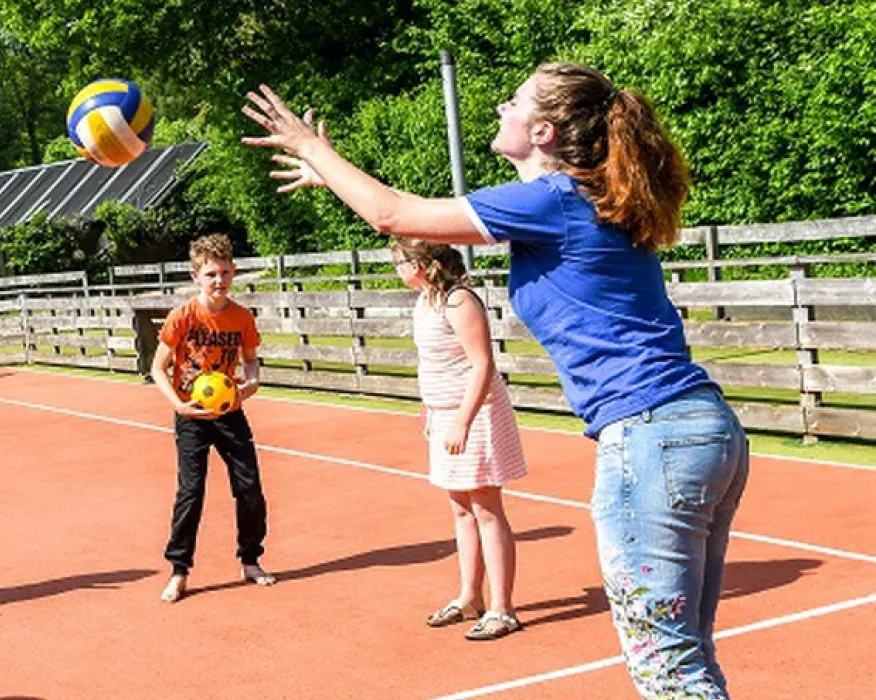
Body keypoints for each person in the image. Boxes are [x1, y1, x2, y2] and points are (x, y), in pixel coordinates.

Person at [244, 63, 749, 697]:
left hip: (652, 437)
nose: (499, 107)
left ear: (542, 130)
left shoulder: (556, 200)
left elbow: (396, 216)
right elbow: (411, 213)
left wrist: (314, 146)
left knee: (667, 668)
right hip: (699, 428)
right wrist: (333, 176)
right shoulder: (591, 198)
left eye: (513, 102)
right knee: (684, 655)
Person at [393, 239, 528, 641]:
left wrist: (463, 422)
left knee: (486, 509)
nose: (397, 270)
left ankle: (503, 608)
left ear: (421, 264)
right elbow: (433, 362)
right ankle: (471, 597)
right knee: (461, 509)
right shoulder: (425, 301)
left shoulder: (459, 301)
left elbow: (482, 364)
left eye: (400, 263)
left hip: (476, 414)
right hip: (445, 414)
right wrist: (429, 408)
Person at [149, 233, 275, 603]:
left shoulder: (241, 318)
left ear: (233, 272)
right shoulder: (182, 317)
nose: (218, 281)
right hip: (192, 415)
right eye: (210, 275)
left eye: (224, 272)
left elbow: (250, 361)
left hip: (230, 412)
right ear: (196, 277)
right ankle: (179, 570)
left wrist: (250, 385)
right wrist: (178, 404)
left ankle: (250, 560)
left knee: (249, 487)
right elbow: (157, 368)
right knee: (191, 491)